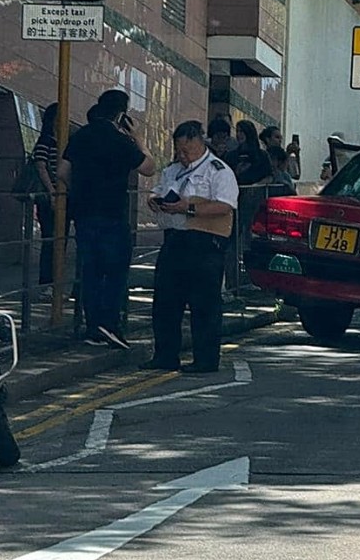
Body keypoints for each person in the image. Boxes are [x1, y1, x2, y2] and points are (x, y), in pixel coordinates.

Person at [59, 89, 155, 348]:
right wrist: (138, 138)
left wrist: (78, 191)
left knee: (89, 271)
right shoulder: (120, 140)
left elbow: (63, 170)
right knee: (114, 272)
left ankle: (92, 327)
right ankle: (109, 324)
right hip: (113, 212)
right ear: (122, 114)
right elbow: (148, 167)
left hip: (84, 212)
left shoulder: (81, 135)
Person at [141, 121, 239, 373]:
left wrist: (190, 208)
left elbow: (225, 205)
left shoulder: (218, 171)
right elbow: (157, 190)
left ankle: (205, 359)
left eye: (188, 150)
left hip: (204, 242)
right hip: (175, 238)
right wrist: (154, 200)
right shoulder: (172, 170)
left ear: (200, 143)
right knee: (166, 301)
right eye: (179, 151)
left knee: (204, 303)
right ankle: (165, 355)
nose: (183, 156)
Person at [32, 103, 61, 297]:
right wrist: (52, 192)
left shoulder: (60, 142)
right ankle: (46, 283)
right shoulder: (46, 141)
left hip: (58, 196)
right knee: (50, 239)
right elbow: (40, 166)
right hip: (49, 197)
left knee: (57, 240)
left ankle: (54, 283)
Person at [224, 120, 272, 184]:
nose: (238, 134)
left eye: (241, 131)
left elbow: (269, 176)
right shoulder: (230, 155)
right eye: (237, 131)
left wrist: (257, 185)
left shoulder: (262, 155)